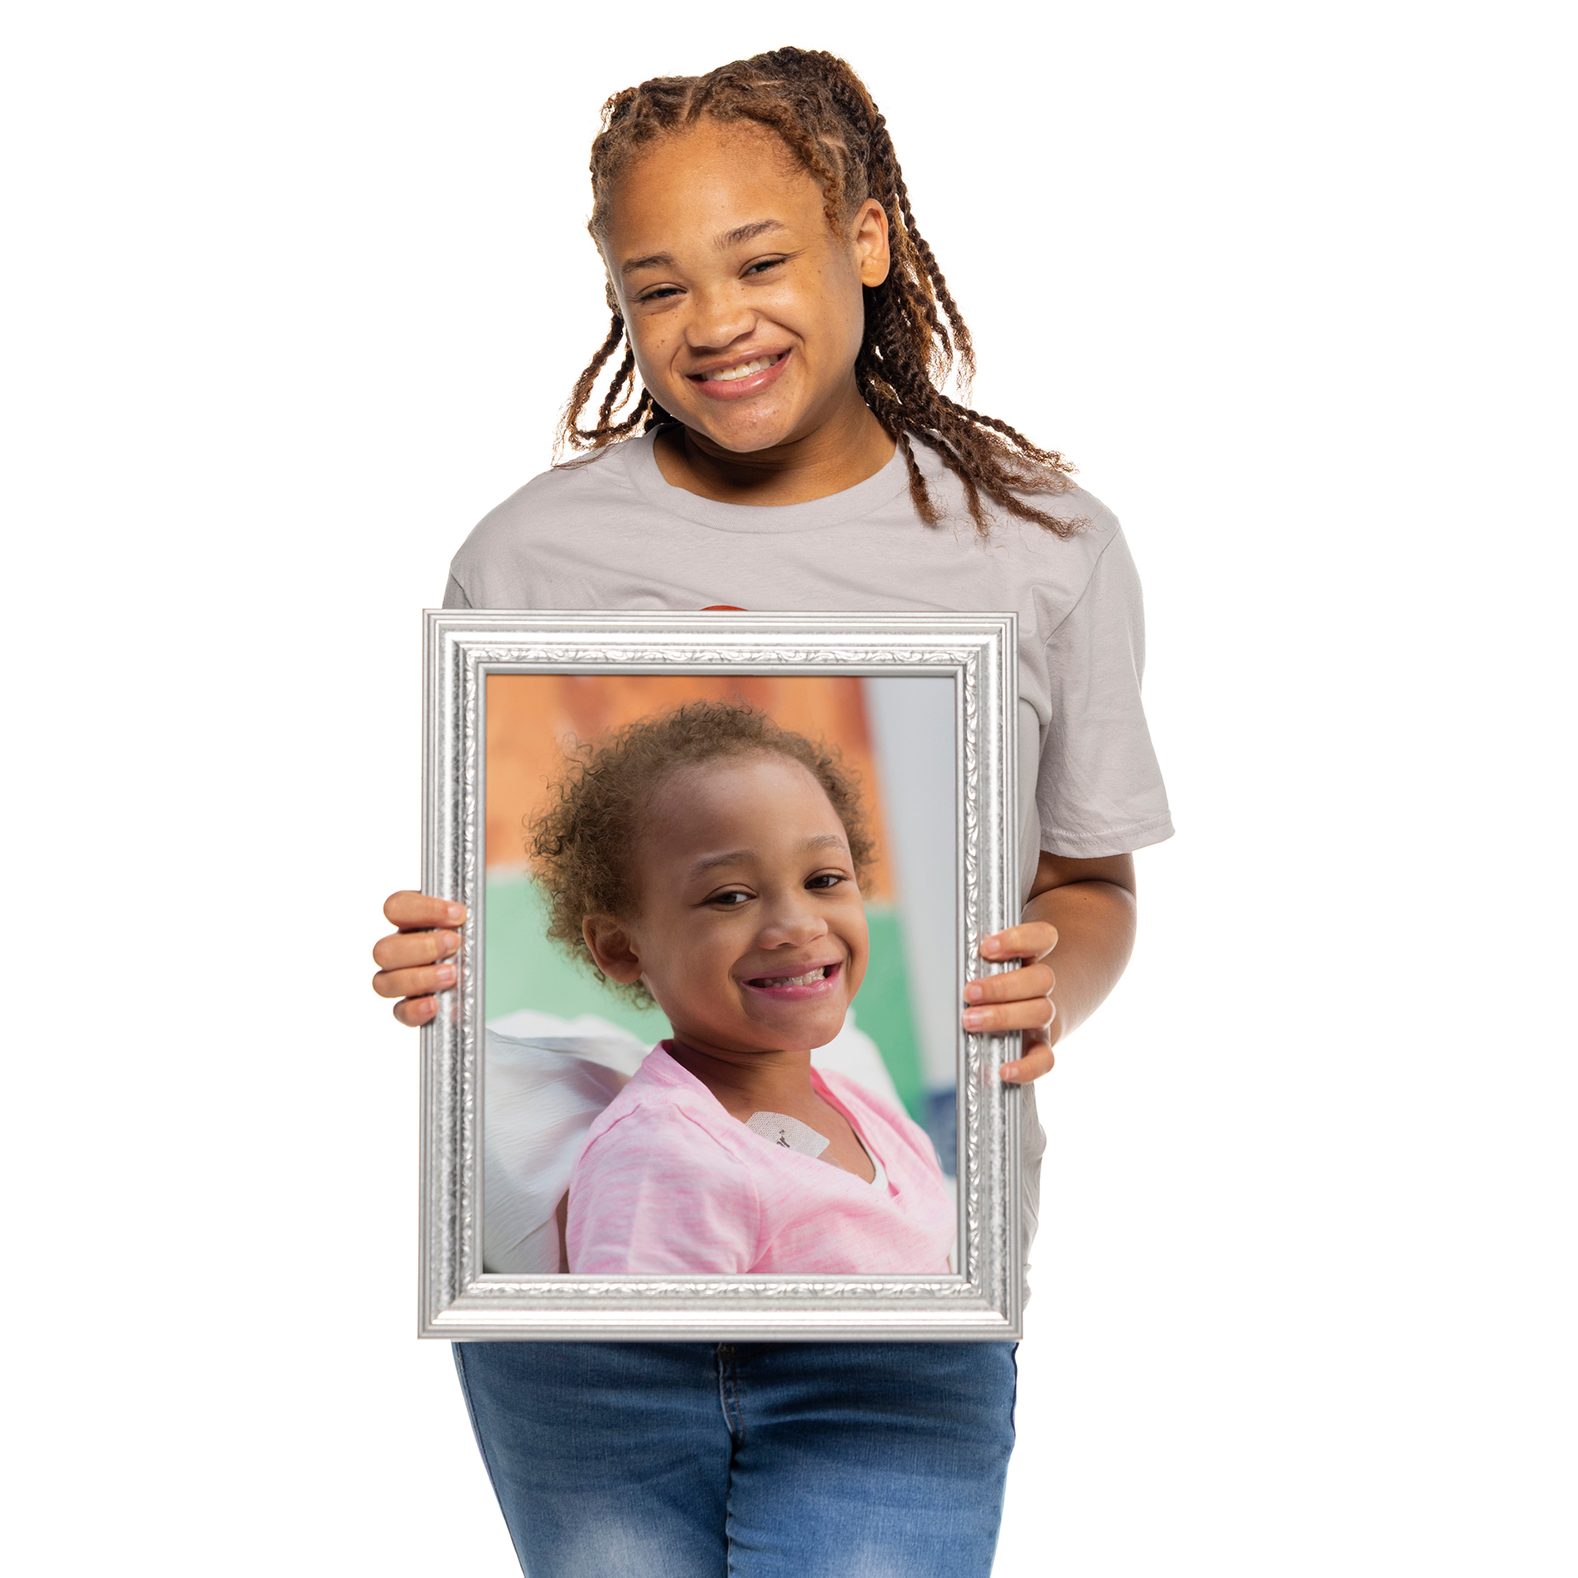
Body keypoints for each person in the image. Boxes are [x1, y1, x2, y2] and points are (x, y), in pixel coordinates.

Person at [371, 44, 1174, 1577]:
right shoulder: (529, 556)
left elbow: (1092, 877)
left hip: (906, 1328)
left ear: (864, 240)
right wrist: (445, 961)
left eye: (759, 259)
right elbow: (525, 892)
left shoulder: (1039, 548)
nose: (715, 321)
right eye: (656, 286)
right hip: (585, 1348)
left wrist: (1036, 982)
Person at [523, 697, 956, 1276]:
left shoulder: (873, 1116)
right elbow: (642, 1364)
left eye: (823, 880)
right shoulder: (662, 1156)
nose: (800, 925)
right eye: (731, 896)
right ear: (621, 947)